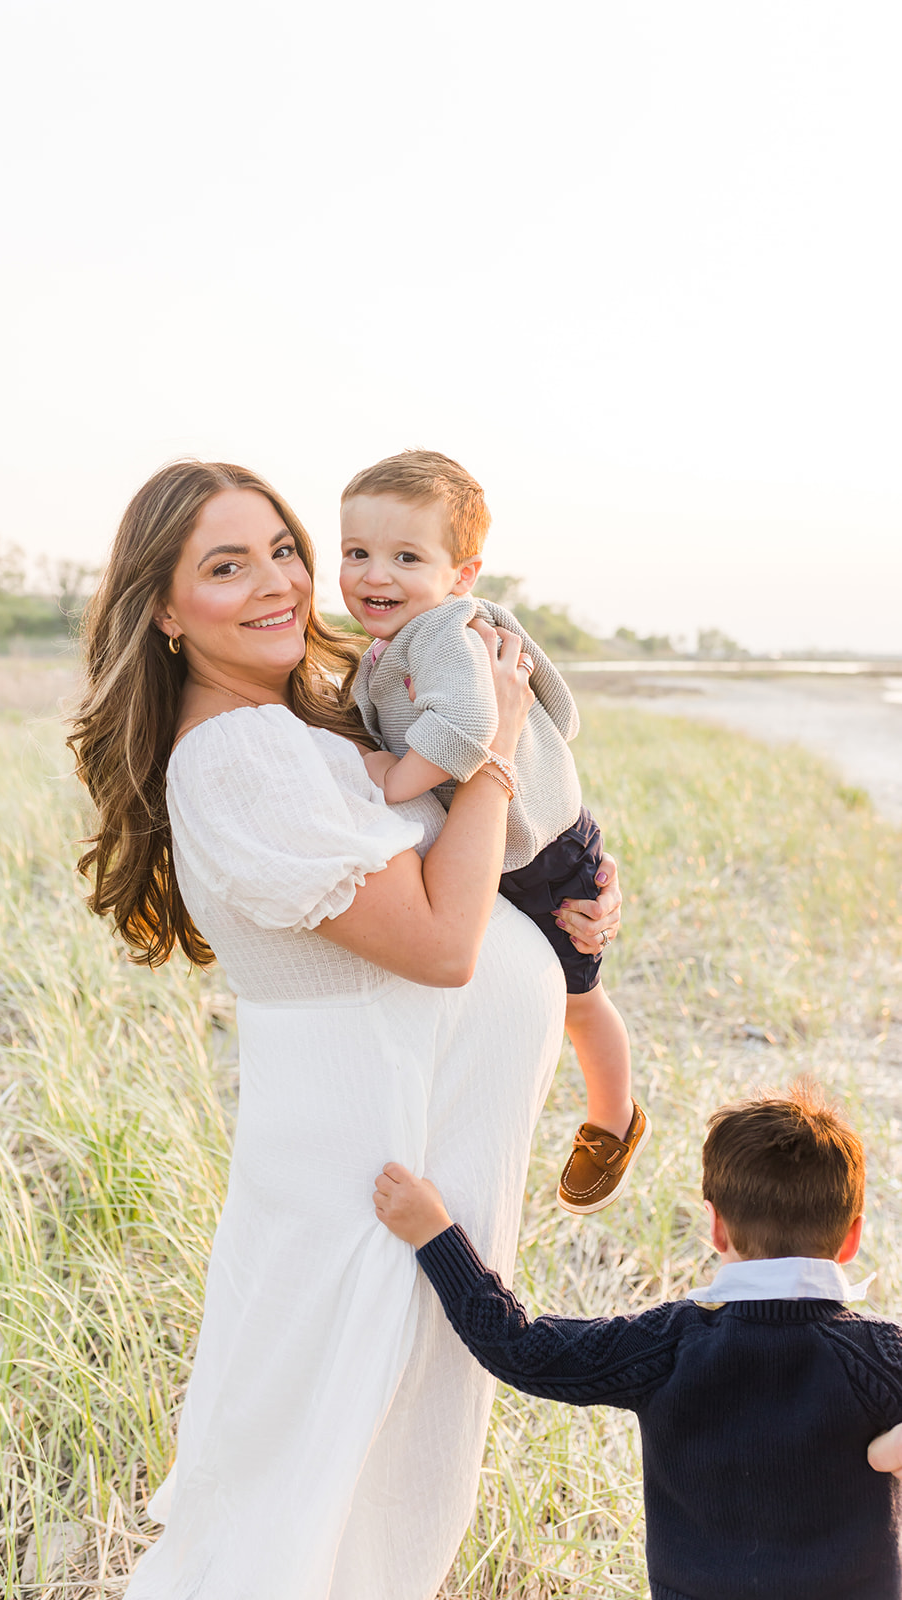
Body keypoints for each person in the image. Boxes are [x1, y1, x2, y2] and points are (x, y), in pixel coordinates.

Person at [67, 459, 622, 1600]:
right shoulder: (239, 755)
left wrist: (572, 897)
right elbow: (438, 945)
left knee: (364, 1486)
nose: (278, 582)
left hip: (411, 1166)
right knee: (307, 1494)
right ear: (163, 608)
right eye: (227, 565)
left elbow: (464, 879)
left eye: (281, 549)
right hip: (362, 1182)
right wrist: (495, 748)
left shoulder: (299, 731)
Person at [373, 1081, 902, 1600]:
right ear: (852, 1237)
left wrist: (434, 1234)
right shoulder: (881, 1357)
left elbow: (519, 1348)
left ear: (715, 1228)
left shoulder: (669, 1345)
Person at [342, 449, 646, 1214]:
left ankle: (612, 1119)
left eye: (405, 557)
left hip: (540, 851)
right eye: (356, 553)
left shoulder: (443, 630)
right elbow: (560, 711)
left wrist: (391, 778)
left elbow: (474, 724)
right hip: (515, 840)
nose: (375, 575)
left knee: (581, 999)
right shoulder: (387, 645)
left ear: (461, 574)